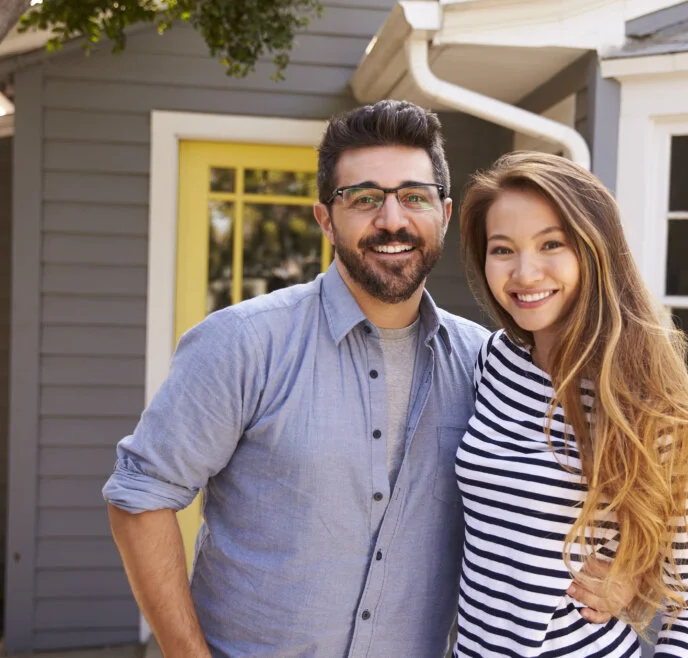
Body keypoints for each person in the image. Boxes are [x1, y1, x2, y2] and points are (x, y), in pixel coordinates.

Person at [102, 101, 621, 658]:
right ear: (327, 218)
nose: (393, 220)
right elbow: (140, 497)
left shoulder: (489, 365)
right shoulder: (243, 343)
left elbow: (588, 491)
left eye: (414, 198)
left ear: (443, 215)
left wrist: (630, 569)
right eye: (365, 199)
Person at [454, 152, 688, 657]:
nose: (524, 272)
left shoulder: (650, 404)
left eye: (551, 245)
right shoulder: (493, 361)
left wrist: (637, 570)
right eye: (503, 249)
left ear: (594, 249)